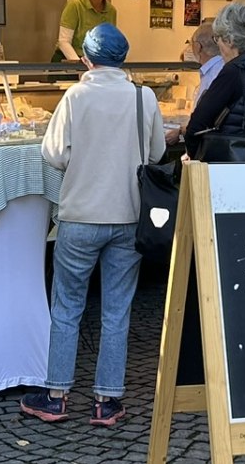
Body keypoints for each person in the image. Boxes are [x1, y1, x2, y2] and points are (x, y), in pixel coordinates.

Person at [22, 23, 163, 427]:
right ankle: (107, 401)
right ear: (123, 58)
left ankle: (56, 395)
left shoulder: (75, 95)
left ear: (86, 58)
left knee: (67, 307)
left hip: (80, 215)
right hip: (128, 215)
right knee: (117, 311)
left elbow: (53, 153)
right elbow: (154, 152)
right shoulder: (144, 96)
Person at [172, 1, 245, 161]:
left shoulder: (234, 70)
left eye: (218, 39)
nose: (218, 46)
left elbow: (197, 125)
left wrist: (194, 155)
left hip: (230, 167)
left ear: (230, 40)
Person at [52, 0, 118, 62]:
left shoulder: (111, 11)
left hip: (93, 64)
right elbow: (64, 42)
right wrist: (80, 64)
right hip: (67, 63)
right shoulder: (75, 5)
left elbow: (108, 43)